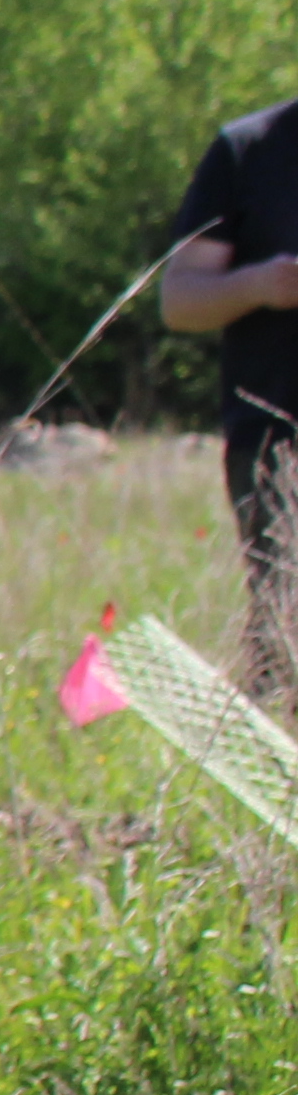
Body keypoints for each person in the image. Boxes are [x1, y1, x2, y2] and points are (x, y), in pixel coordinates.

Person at [158, 94, 298, 700]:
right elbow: (179, 299)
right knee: (287, 635)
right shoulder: (249, 150)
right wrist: (260, 284)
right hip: (277, 443)